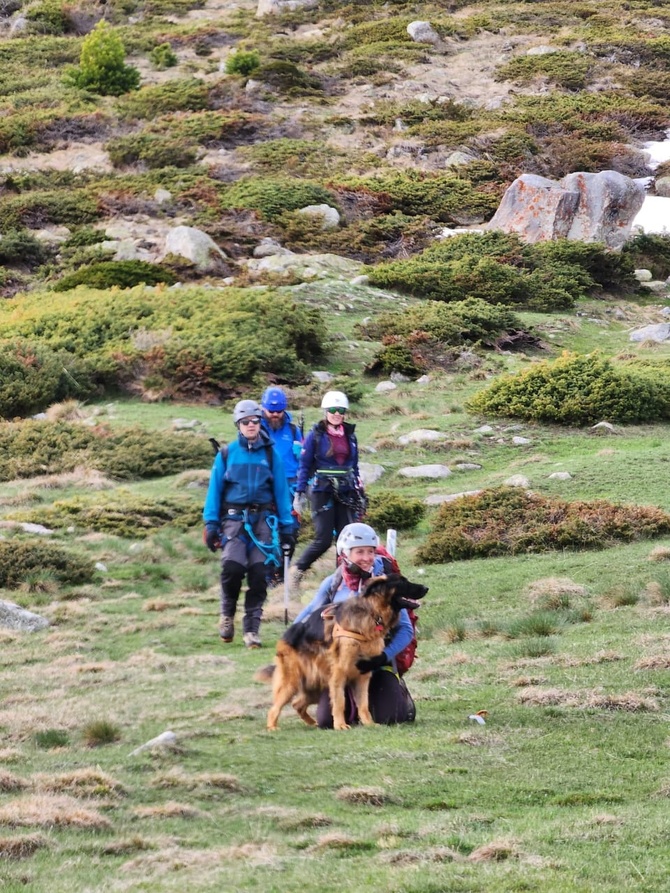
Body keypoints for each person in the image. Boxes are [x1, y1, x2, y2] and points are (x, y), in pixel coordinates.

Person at [292, 522, 416, 728]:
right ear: (345, 553)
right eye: (360, 552)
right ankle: (349, 706)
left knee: (392, 716)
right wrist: (292, 639)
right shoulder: (333, 583)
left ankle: (396, 694)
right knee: (326, 721)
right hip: (340, 664)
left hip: (376, 664)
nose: (367, 558)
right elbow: (310, 612)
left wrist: (383, 657)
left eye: (371, 551)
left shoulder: (385, 584)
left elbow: (406, 630)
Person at [203, 399, 295, 648]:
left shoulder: (270, 454)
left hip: (264, 520)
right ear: (238, 424)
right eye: (246, 422)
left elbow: (281, 492)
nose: (251, 425)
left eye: (255, 421)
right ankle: (227, 616)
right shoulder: (226, 454)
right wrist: (211, 524)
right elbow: (214, 490)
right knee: (232, 567)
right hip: (233, 520)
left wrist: (288, 527)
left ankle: (252, 629)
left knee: (258, 572)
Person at [290, 391, 365, 589]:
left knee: (346, 538)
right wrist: (299, 493)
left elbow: (354, 466)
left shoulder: (351, 435)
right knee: (323, 539)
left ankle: (343, 581)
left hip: (347, 490)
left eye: (340, 410)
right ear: (326, 411)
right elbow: (304, 466)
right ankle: (296, 572)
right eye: (333, 410)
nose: (337, 413)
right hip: (322, 490)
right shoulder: (315, 435)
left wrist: (360, 488)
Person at [259, 387, 303, 583]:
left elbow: (303, 459)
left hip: (290, 486)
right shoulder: (255, 429)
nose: (275, 415)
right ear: (263, 408)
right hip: (265, 485)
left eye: (279, 411)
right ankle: (268, 577)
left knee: (290, 532)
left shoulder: (294, 430)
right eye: (271, 411)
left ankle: (282, 575)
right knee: (266, 533)